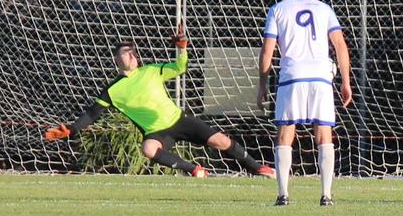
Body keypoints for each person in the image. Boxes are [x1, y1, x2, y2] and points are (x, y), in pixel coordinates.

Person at [44, 28, 274, 179]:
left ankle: (256, 167)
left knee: (221, 141)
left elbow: (180, 68)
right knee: (148, 149)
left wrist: (182, 48)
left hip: (179, 120)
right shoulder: (113, 90)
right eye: (126, 52)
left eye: (133, 52)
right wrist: (72, 129)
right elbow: (93, 114)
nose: (131, 54)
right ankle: (194, 169)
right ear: (117, 60)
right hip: (156, 132)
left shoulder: (151, 71)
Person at [258, 0, 353, 207]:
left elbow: (267, 51)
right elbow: (340, 46)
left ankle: (283, 195)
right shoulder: (324, 9)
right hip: (321, 77)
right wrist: (346, 81)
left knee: (285, 132)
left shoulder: (277, 10)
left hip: (292, 77)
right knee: (323, 133)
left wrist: (262, 85)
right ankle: (326, 195)